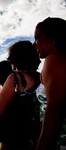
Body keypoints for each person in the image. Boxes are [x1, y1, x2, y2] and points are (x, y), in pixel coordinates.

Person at [34, 17, 66, 150]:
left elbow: (55, 109)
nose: (35, 43)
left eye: (37, 37)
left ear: (53, 36)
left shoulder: (53, 61)